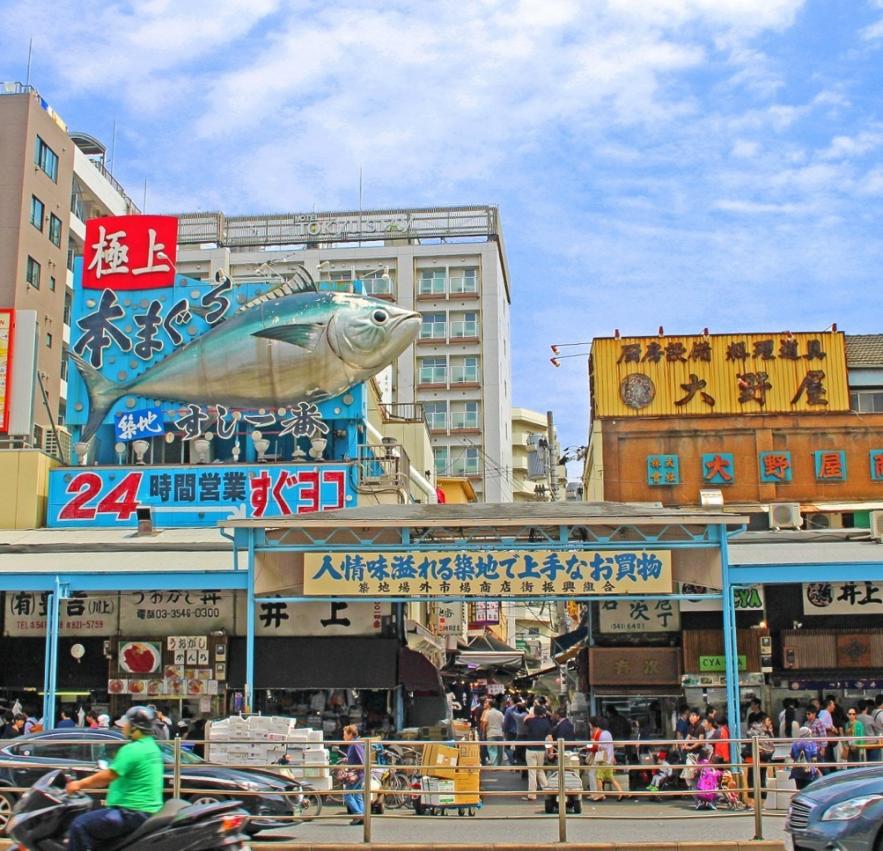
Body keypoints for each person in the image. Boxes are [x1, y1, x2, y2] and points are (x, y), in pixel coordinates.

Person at [65, 706, 164, 851]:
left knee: (79, 824)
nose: (123, 727)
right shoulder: (152, 747)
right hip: (147, 812)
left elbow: (108, 776)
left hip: (131, 813)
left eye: (127, 724)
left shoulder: (132, 749)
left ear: (136, 728)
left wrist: (78, 784)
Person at [522, 703, 552, 801]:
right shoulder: (546, 722)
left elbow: (524, 720)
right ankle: (548, 790)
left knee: (532, 772)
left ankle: (532, 794)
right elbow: (549, 737)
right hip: (541, 750)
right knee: (540, 770)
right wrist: (550, 750)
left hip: (531, 749)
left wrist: (530, 714)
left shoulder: (531, 721)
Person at [589, 717, 624, 801]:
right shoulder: (608, 733)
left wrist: (595, 743)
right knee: (611, 777)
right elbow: (610, 746)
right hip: (609, 759)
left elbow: (603, 747)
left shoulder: (602, 734)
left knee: (598, 777)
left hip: (604, 760)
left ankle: (601, 794)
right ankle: (621, 792)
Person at [340, 724, 365, 825]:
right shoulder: (354, 743)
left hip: (356, 774)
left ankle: (358, 814)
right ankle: (362, 816)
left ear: (350, 734)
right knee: (357, 794)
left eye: (345, 734)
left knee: (347, 794)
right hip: (359, 773)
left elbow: (362, 758)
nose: (343, 736)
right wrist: (347, 759)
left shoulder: (355, 744)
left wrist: (359, 770)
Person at [483, 698, 505, 767]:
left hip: (491, 733)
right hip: (500, 733)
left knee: (492, 749)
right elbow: (503, 723)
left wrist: (484, 732)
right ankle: (499, 764)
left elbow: (485, 723)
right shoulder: (500, 713)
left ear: (489, 705)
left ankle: (495, 765)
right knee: (499, 749)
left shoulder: (487, 713)